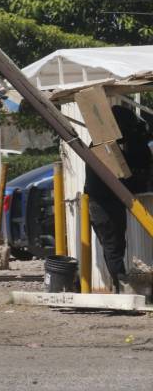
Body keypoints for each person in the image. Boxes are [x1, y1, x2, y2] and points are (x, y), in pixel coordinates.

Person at [84, 105, 152, 293]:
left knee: (115, 245)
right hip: (102, 202)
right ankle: (121, 286)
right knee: (113, 245)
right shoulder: (104, 146)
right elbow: (125, 175)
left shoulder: (106, 143)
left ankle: (120, 285)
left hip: (107, 201)